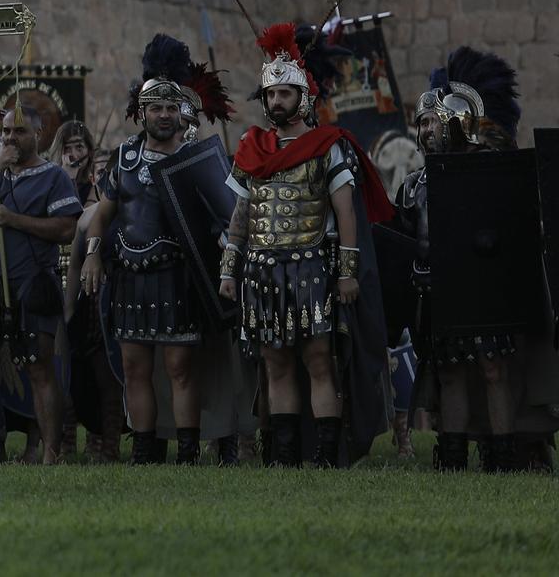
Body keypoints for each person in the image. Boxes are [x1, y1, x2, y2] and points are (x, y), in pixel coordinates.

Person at [220, 23, 392, 466]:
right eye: (270, 95)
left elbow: (346, 211)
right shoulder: (252, 147)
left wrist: (348, 273)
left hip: (310, 266)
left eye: (284, 94)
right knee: (275, 363)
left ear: (304, 99)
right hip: (261, 269)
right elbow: (241, 214)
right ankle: (283, 455)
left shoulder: (326, 146)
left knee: (319, 361)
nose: (275, 102)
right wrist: (228, 268)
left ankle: (324, 454)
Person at [80, 36, 233, 464]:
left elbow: (225, 217)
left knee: (181, 369)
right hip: (131, 275)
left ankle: (186, 453)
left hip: (178, 275)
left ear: (180, 112)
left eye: (170, 108)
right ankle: (144, 452)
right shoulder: (126, 157)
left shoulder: (195, 159)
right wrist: (93, 253)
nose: (163, 115)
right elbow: (102, 214)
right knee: (134, 369)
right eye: (155, 108)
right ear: (141, 112)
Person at [408, 47, 526, 469]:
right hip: (441, 290)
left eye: (431, 121)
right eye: (420, 123)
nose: (424, 132)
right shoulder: (416, 183)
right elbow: (404, 240)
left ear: (456, 120)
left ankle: (503, 456)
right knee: (451, 373)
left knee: (494, 369)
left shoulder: (494, 171)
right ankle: (453, 456)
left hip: (488, 285)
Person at [0, 114, 82, 464]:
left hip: (32, 285)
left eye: (19, 131)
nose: (10, 137)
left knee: (40, 369)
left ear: (38, 134)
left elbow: (67, 229)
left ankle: (50, 455)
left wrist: (14, 220)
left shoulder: (53, 177)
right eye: (5, 131)